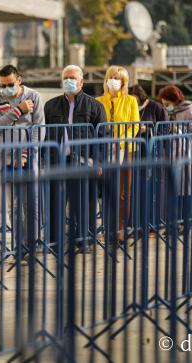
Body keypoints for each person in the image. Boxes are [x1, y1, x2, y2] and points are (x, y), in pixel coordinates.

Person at [44, 65, 107, 248]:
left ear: (81, 81)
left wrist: (99, 161)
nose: (69, 81)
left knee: (84, 201)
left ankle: (85, 240)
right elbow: (45, 135)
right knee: (56, 201)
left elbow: (103, 136)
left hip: (83, 159)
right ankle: (55, 241)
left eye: (72, 77)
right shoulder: (51, 105)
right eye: (66, 78)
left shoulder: (95, 106)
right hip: (57, 160)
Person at [0, 65, 44, 254]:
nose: (6, 88)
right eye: (3, 84)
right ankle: (19, 245)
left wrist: (26, 154)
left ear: (19, 79)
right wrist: (17, 111)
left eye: (10, 84)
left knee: (31, 202)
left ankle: (33, 243)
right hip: (5, 158)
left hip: (29, 157)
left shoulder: (34, 96)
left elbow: (39, 129)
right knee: (13, 204)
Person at [97, 66, 140, 241]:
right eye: (110, 77)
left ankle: (122, 228)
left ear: (123, 82)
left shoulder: (131, 101)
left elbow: (134, 125)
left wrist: (120, 142)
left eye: (117, 78)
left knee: (124, 191)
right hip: (104, 150)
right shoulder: (98, 100)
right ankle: (107, 227)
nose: (113, 80)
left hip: (126, 151)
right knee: (107, 190)